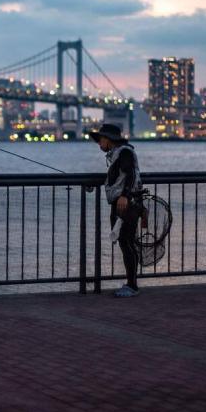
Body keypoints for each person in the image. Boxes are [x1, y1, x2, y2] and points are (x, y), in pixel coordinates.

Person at [90, 123, 143, 298]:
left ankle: (132, 286)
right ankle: (131, 283)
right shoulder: (118, 153)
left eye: (101, 140)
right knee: (125, 242)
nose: (99, 144)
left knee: (127, 243)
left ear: (109, 140)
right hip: (124, 203)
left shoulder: (124, 152)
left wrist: (125, 196)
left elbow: (131, 175)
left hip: (125, 204)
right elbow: (119, 177)